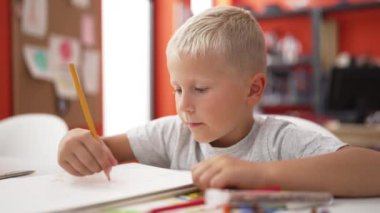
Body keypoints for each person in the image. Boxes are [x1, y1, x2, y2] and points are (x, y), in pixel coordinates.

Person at [58, 6, 380, 197]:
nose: (183, 106)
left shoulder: (279, 141)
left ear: (253, 90)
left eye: (199, 88)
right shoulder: (174, 135)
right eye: (177, 88)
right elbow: (103, 150)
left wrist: (260, 176)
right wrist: (76, 143)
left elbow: (373, 170)